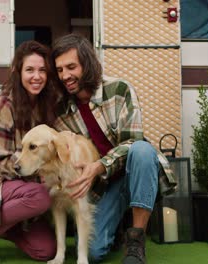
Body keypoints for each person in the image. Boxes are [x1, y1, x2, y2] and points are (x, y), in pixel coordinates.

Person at [51, 33, 159, 264]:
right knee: (93, 252)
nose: (65, 76)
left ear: (87, 65)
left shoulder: (120, 89)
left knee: (143, 150)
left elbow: (132, 142)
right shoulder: (61, 111)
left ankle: (136, 243)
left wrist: (99, 166)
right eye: (60, 70)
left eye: (71, 67)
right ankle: (118, 226)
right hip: (103, 187)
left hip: (134, 172)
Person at [0, 40, 59, 264]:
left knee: (46, 252)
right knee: (41, 196)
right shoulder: (3, 106)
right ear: (17, 72)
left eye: (42, 70)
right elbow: (3, 164)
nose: (37, 76)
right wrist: (44, 175)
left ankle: (9, 224)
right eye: (30, 70)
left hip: (23, 184)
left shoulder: (43, 104)